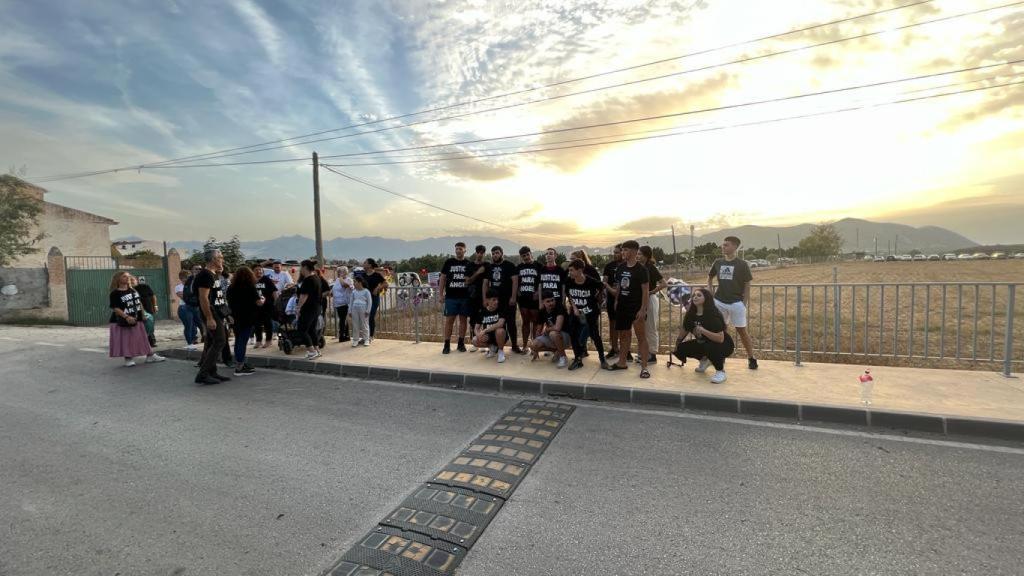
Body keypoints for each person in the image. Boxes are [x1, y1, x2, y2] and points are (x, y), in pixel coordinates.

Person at [708, 235, 758, 370]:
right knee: (720, 331)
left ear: (735, 247)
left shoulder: (742, 264)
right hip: (719, 302)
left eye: (726, 245)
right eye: (723, 244)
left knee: (742, 332)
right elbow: (710, 277)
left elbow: (747, 284)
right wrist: (710, 292)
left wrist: (744, 303)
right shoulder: (718, 262)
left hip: (736, 303)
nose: (723, 247)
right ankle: (720, 357)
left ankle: (751, 358)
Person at [605, 240, 651, 378]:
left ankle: (644, 368)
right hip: (622, 307)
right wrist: (616, 301)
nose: (622, 253)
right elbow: (619, 286)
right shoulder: (621, 268)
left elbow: (645, 291)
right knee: (624, 336)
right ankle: (622, 363)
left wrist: (642, 309)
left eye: (625, 250)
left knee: (641, 337)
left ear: (633, 251)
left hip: (636, 308)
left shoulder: (641, 270)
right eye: (622, 250)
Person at [673, 287, 733, 383]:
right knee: (681, 348)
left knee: (709, 346)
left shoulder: (713, 315)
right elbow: (685, 329)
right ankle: (704, 360)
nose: (695, 297)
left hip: (724, 344)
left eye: (699, 295)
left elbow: (720, 338)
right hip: (704, 342)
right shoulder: (690, 314)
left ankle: (720, 372)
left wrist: (703, 331)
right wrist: (677, 343)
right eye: (694, 295)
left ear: (706, 298)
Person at [108, 271, 164, 367]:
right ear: (118, 279)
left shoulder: (133, 290)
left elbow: (139, 302)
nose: (127, 278)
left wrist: (143, 314)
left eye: (128, 276)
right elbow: (115, 308)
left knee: (143, 338)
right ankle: (128, 358)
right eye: (124, 276)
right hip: (123, 321)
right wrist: (126, 317)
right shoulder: (115, 293)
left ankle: (150, 356)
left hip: (137, 319)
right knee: (126, 340)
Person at [194, 249, 230, 385]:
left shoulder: (213, 274)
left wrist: (227, 314)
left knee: (212, 341)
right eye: (220, 257)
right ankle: (203, 374)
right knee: (220, 340)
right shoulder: (205, 275)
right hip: (211, 312)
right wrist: (209, 318)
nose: (222, 260)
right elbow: (203, 298)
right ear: (214, 259)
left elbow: (217, 297)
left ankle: (212, 372)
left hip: (218, 312)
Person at [566, 259, 608, 370]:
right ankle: (578, 359)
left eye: (572, 270)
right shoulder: (569, 281)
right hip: (576, 312)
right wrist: (574, 307)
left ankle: (602, 359)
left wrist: (598, 299)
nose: (570, 273)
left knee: (595, 336)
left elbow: (602, 287)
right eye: (569, 270)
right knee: (573, 334)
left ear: (580, 270)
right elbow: (569, 295)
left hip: (590, 313)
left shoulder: (591, 281)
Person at [226, 266, 263, 376]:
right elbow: (258, 302)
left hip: (235, 317)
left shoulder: (231, 287)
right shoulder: (250, 287)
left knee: (238, 340)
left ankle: (239, 362)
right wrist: (263, 299)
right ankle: (240, 367)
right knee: (243, 341)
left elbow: (228, 302)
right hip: (248, 317)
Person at [482, 246, 520, 353]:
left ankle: (514, 346)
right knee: (496, 323)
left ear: (502, 253)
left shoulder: (509, 265)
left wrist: (513, 297)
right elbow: (485, 283)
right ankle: (496, 346)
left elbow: (515, 281)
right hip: (495, 302)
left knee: (511, 323)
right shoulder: (490, 267)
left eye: (497, 253)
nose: (495, 255)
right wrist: (485, 299)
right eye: (493, 253)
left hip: (508, 300)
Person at [439, 242, 472, 354]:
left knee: (463, 321)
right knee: (449, 321)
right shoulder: (449, 262)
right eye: (457, 249)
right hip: (451, 297)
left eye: (460, 249)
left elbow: (472, 279)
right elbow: (443, 278)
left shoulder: (468, 263)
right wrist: (440, 294)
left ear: (465, 250)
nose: (458, 251)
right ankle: (446, 344)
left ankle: (461, 343)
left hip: (465, 297)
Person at [639, 245, 667, 363]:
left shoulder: (651, 268)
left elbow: (664, 283)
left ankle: (652, 354)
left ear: (646, 256)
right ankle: (644, 352)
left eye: (640, 254)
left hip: (650, 300)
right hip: (641, 300)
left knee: (650, 327)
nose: (638, 256)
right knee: (643, 328)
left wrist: (652, 291)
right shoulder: (640, 267)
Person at [529, 291, 570, 368]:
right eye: (548, 301)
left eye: (552, 300)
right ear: (543, 302)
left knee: (553, 333)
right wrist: (535, 350)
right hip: (552, 336)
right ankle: (557, 351)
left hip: (565, 336)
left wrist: (547, 329)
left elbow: (558, 328)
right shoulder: (542, 311)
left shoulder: (560, 308)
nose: (551, 303)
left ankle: (563, 357)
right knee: (533, 345)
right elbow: (538, 330)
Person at [516, 246, 542, 354]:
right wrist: (517, 290)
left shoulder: (539, 266)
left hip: (534, 298)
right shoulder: (519, 267)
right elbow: (516, 281)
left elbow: (542, 281)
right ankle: (525, 346)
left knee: (535, 322)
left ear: (531, 254)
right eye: (523, 256)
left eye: (527, 254)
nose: (526, 257)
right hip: (523, 298)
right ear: (521, 257)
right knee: (525, 322)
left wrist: (538, 292)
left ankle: (534, 347)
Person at [296, 259, 323, 359]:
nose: (300, 270)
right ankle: (317, 350)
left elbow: (304, 296)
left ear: (305, 267)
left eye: (301, 267)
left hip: (309, 308)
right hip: (316, 307)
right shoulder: (316, 278)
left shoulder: (308, 280)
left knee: (302, 330)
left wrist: (298, 308)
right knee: (312, 329)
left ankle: (312, 351)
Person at [473, 289, 507, 362]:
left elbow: (500, 323)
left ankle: (500, 351)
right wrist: (479, 335)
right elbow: (476, 328)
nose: (496, 302)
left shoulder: (501, 308)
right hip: (488, 337)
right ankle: (492, 348)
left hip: (500, 336)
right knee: (475, 340)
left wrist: (485, 330)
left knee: (500, 331)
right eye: (494, 300)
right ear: (487, 300)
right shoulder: (482, 311)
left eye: (497, 299)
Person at [465, 244, 488, 351]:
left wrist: (487, 298)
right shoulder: (469, 265)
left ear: (484, 253)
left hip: (484, 297)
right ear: (475, 253)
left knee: (485, 320)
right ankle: (475, 342)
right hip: (472, 296)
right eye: (478, 252)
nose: (480, 254)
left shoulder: (487, 265)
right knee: (473, 320)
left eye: (482, 252)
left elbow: (488, 281)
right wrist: (478, 273)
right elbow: (467, 281)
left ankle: (484, 342)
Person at [603, 244, 623, 360]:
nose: (615, 254)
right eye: (614, 252)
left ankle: (626, 350)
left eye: (617, 252)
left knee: (625, 327)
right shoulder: (609, 266)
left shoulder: (627, 265)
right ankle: (614, 348)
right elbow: (605, 281)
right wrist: (609, 290)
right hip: (611, 299)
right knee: (613, 325)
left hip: (625, 299)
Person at [252, 264, 278, 348]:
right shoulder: (251, 281)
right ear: (253, 271)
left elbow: (274, 291)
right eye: (256, 270)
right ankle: (258, 341)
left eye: (260, 270)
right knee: (257, 324)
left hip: (267, 305)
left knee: (267, 323)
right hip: (255, 306)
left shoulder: (267, 280)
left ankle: (268, 340)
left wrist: (276, 303)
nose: (259, 271)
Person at [129, 275, 158, 348]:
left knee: (150, 325)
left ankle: (151, 341)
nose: (132, 281)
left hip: (148, 309)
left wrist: (155, 306)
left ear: (136, 281)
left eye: (133, 280)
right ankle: (140, 343)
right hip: (136, 312)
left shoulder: (145, 286)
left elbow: (153, 296)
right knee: (139, 327)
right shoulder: (128, 290)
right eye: (130, 280)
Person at [363, 258, 386, 340]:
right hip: (364, 300)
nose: (363, 264)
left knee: (370, 316)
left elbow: (385, 284)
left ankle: (371, 335)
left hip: (374, 299)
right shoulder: (363, 275)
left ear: (369, 265)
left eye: (365, 262)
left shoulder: (377, 275)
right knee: (364, 317)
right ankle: (365, 335)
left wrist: (378, 288)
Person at [174, 270, 198, 351]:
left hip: (194, 307)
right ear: (181, 278)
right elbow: (184, 297)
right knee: (189, 326)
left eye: (189, 277)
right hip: (184, 308)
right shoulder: (178, 287)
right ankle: (189, 343)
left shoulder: (193, 285)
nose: (188, 279)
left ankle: (193, 341)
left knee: (195, 326)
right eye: (186, 277)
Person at [181, 265, 204, 347]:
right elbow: (186, 292)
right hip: (189, 306)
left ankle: (206, 339)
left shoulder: (204, 278)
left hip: (200, 306)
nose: (198, 270)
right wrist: (189, 300)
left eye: (200, 269)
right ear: (192, 270)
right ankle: (190, 343)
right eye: (196, 269)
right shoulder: (190, 279)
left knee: (202, 325)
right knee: (190, 325)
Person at [332, 266, 354, 343]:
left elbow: (344, 285)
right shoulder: (337, 280)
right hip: (338, 303)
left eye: (340, 272)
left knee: (342, 319)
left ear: (345, 272)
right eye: (338, 272)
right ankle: (346, 335)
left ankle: (341, 336)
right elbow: (335, 288)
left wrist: (341, 278)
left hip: (344, 302)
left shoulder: (348, 279)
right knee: (343, 319)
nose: (338, 273)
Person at [349, 275, 372, 346]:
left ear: (360, 282)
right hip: (355, 309)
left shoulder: (366, 291)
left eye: (355, 282)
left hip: (363, 309)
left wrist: (368, 310)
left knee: (364, 324)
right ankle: (355, 340)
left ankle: (366, 339)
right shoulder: (354, 292)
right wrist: (350, 311)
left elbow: (369, 302)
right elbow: (351, 302)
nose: (354, 283)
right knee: (355, 324)